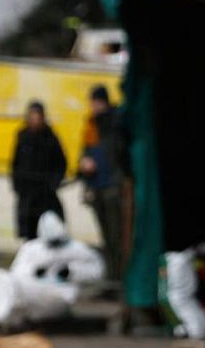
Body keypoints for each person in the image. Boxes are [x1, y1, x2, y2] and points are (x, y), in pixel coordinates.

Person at [78, 85, 126, 278]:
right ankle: (112, 277)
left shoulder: (114, 123)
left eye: (97, 102)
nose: (94, 106)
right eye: (92, 102)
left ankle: (119, 278)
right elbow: (85, 152)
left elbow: (118, 155)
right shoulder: (91, 126)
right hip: (97, 186)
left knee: (117, 236)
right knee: (106, 236)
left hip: (113, 187)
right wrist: (84, 165)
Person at [11, 101, 67, 241]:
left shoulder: (51, 138)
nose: (35, 120)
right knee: (29, 237)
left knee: (47, 234)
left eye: (38, 116)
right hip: (27, 196)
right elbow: (15, 164)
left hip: (45, 196)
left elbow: (61, 163)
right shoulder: (22, 137)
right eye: (32, 116)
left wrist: (52, 184)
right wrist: (18, 186)